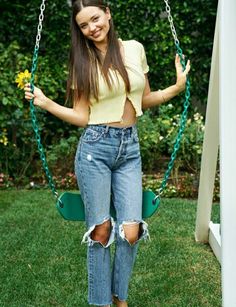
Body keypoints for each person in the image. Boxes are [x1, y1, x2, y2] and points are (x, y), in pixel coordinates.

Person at [24, 0, 190, 306]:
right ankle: (103, 302)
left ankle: (119, 296)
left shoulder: (134, 49)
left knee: (131, 230)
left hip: (130, 147)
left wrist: (177, 88)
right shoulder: (82, 61)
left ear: (108, 14)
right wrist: (46, 103)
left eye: (96, 19)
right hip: (95, 149)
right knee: (100, 231)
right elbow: (81, 116)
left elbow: (145, 97)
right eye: (84, 25)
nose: (92, 28)